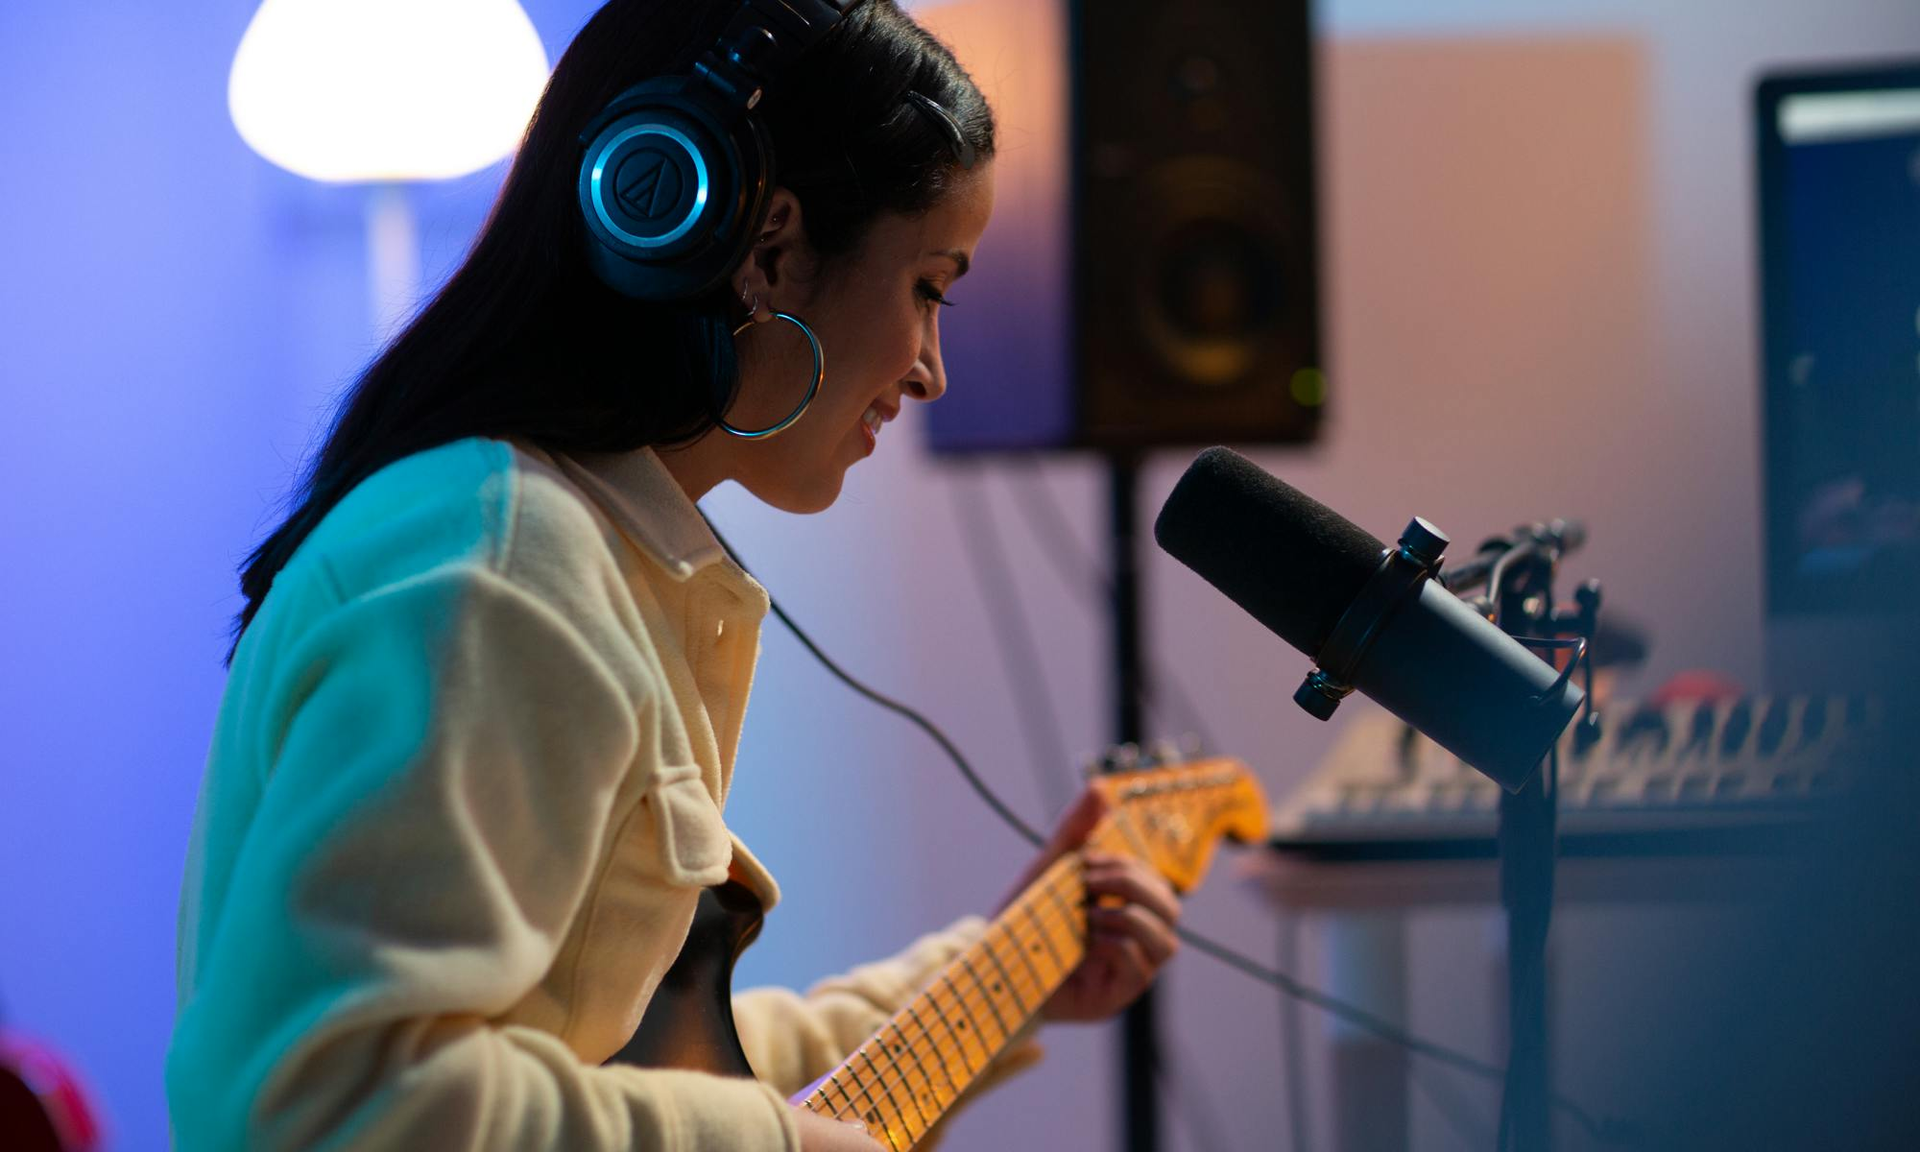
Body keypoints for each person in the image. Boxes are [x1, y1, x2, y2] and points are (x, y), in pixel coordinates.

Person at [165, 2, 1182, 1149]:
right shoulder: (500, 571)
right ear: (770, 251)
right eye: (927, 288)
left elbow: (644, 1071)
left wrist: (1005, 974)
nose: (930, 367)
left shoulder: (560, 544)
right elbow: (331, 1102)